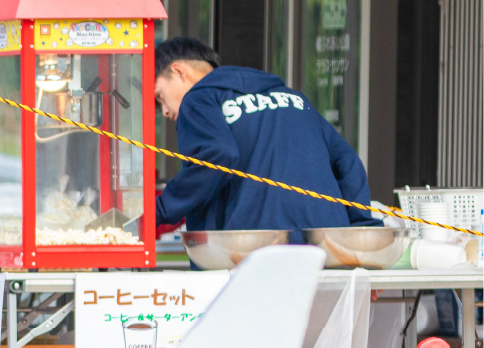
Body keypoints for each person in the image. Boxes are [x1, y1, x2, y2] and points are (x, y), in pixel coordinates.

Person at [151, 37, 374, 234]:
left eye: (160, 96)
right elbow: (347, 161)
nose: (166, 112)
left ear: (179, 71)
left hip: (256, 250)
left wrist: (158, 212)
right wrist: (361, 229)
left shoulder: (198, 99)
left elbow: (217, 154)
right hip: (324, 244)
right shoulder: (294, 98)